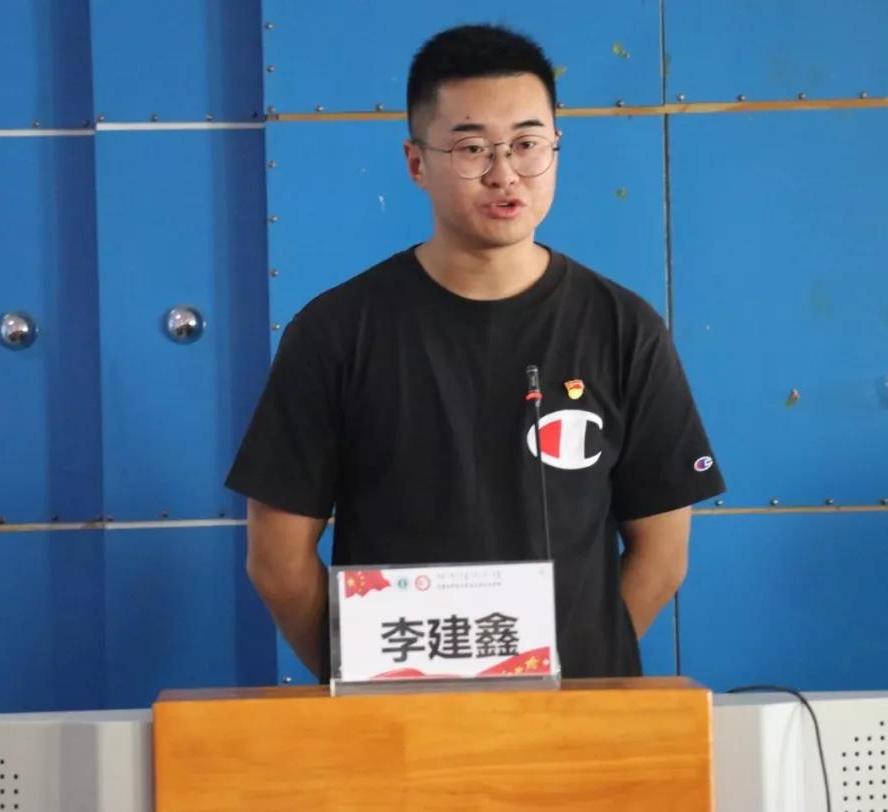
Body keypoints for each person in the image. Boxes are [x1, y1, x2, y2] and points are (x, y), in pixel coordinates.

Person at [226, 23, 724, 681]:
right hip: (399, 718)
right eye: (471, 148)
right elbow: (278, 562)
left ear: (556, 148)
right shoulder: (336, 332)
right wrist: (361, 679)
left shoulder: (624, 328)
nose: (504, 173)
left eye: (527, 144)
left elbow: (662, 555)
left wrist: (579, 666)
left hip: (574, 715)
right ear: (416, 163)